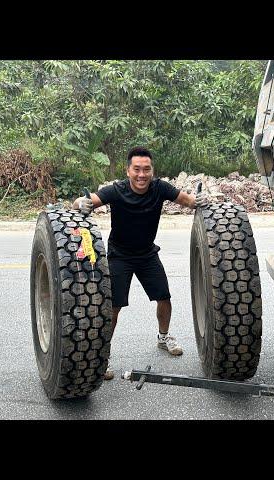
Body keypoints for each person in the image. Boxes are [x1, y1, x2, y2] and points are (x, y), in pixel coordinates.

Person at [72, 146, 210, 380]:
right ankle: (102, 356)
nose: (141, 174)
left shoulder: (160, 188)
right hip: (119, 255)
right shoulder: (116, 190)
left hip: (147, 254)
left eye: (146, 169)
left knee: (164, 298)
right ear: (128, 171)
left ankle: (163, 337)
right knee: (113, 308)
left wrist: (199, 200)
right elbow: (87, 202)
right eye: (137, 169)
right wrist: (79, 203)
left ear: (152, 171)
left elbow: (187, 201)